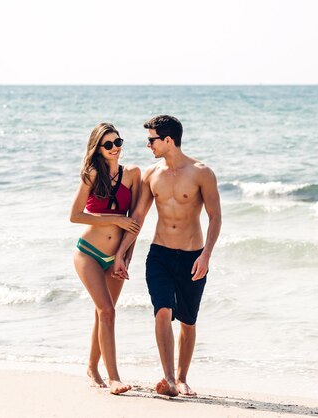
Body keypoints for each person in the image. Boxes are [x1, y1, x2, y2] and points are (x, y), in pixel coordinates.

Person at [113, 115, 221, 397]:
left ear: (168, 140)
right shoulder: (151, 175)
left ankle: (183, 378)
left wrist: (206, 255)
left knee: (187, 320)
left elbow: (215, 216)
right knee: (162, 310)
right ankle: (169, 378)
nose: (148, 146)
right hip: (159, 254)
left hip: (192, 256)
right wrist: (121, 255)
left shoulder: (201, 172)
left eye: (152, 140)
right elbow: (137, 217)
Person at [70, 122, 141, 394]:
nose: (115, 148)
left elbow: (134, 222)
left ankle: (92, 367)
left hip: (116, 258)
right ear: (98, 148)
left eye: (118, 142)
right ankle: (114, 378)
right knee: (107, 311)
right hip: (87, 253)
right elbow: (75, 215)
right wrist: (114, 219)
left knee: (104, 314)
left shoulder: (133, 174)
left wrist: (125, 257)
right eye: (109, 144)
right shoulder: (91, 174)